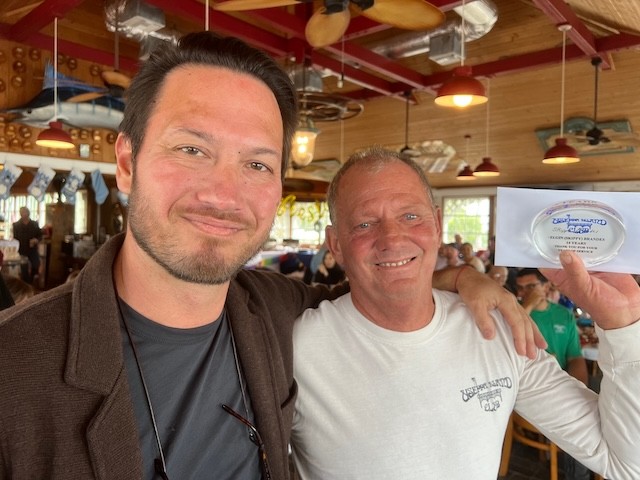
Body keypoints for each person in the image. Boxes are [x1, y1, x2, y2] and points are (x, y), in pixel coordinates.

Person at [0, 33, 541, 480]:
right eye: (192, 149)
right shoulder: (15, 364)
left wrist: (463, 277)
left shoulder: (279, 310)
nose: (223, 195)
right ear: (127, 162)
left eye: (257, 164)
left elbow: (378, 282)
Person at [290, 147, 640, 480]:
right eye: (364, 223)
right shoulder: (296, 347)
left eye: (410, 216)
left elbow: (626, 463)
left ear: (437, 224)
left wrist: (624, 321)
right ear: (335, 244)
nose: (392, 238)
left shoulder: (497, 329)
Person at [515, 268, 591, 480]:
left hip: (561, 384)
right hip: (528, 388)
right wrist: (527, 305)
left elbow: (574, 357)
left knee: (594, 405)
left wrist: (578, 389)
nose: (525, 292)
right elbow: (505, 348)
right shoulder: (514, 313)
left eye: (531, 286)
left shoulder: (563, 315)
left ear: (546, 286)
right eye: (520, 288)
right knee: (575, 424)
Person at [12, 206, 42, 284]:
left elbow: (40, 235)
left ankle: (31, 280)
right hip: (22, 249)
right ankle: (26, 284)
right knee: (24, 267)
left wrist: (36, 240)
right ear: (20, 214)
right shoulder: (16, 225)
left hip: (32, 249)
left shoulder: (34, 224)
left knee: (36, 264)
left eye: (25, 212)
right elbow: (15, 237)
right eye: (22, 213)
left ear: (28, 213)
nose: (24, 214)